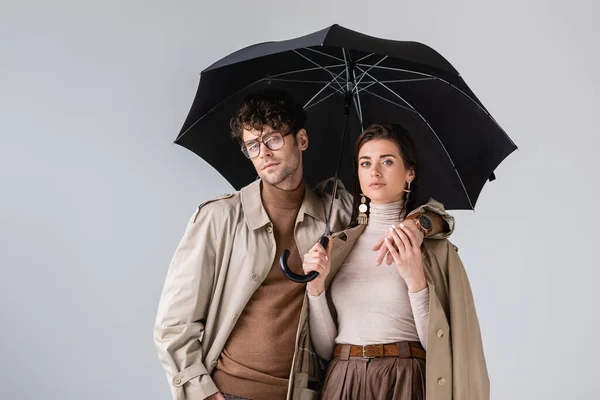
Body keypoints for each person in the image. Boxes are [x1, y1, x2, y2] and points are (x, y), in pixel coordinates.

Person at [154, 92, 454, 400]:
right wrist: (201, 393)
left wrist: (423, 224)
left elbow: (399, 204)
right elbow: (174, 325)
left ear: (302, 140)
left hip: (306, 393)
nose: (263, 154)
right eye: (252, 146)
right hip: (230, 391)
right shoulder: (219, 219)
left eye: (272, 140)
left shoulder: (337, 213)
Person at [302, 123, 489, 400]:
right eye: (365, 163)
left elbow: (437, 345)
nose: (374, 172)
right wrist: (315, 289)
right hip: (343, 379)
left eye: (387, 161)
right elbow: (326, 349)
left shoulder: (433, 248)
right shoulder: (339, 245)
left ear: (409, 174)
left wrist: (415, 279)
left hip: (404, 377)